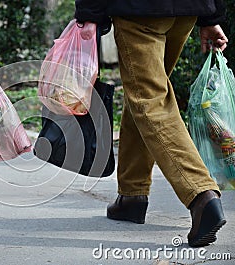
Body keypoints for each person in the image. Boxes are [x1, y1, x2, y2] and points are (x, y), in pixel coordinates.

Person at [75, 0, 228, 247]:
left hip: (140, 11)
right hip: (185, 12)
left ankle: (201, 194)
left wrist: (89, 14)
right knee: (144, 93)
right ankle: (132, 195)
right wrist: (212, 16)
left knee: (150, 101)